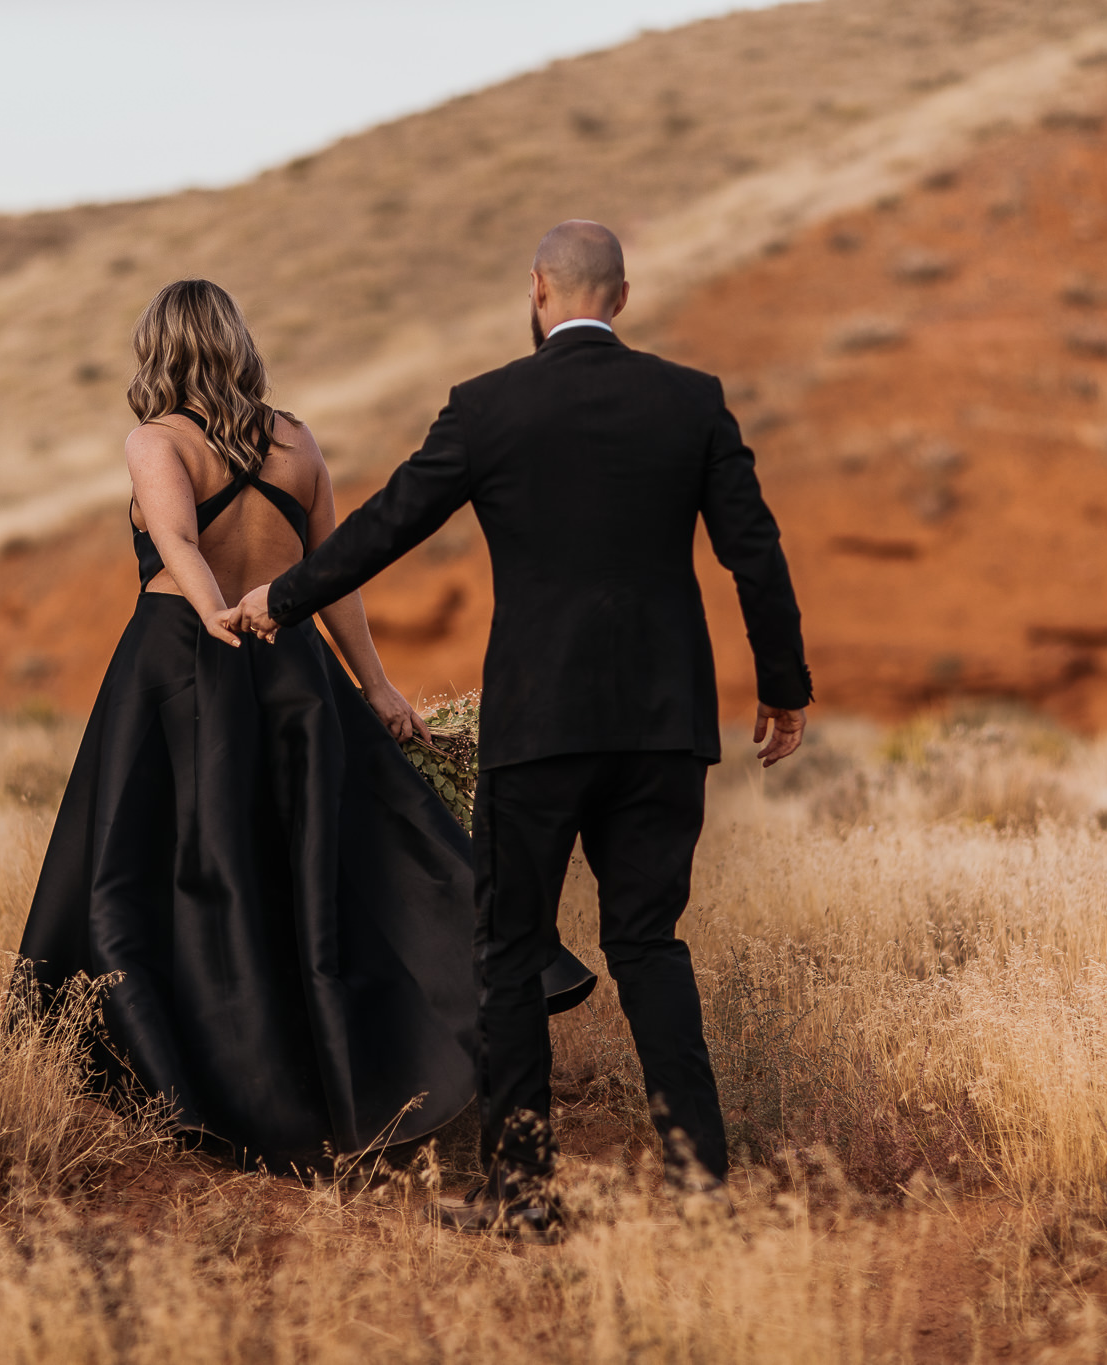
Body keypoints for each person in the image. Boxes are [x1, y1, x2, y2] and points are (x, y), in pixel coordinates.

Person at [224, 221, 812, 1231]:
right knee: (647, 943)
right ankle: (700, 1190)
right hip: (661, 724)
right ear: (620, 298)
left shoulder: (489, 406)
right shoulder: (690, 401)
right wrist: (782, 684)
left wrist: (282, 597)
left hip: (538, 726)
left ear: (537, 288)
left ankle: (522, 1197)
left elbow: (385, 525)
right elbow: (751, 553)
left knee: (506, 951)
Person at [16, 279, 593, 1174]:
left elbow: (174, 538)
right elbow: (335, 577)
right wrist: (375, 686)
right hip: (292, 671)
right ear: (237, 343)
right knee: (308, 877)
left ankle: (222, 1090)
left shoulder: (154, 440)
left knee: (169, 880)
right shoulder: (297, 441)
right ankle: (355, 1069)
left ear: (160, 349)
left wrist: (213, 616)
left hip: (180, 665)